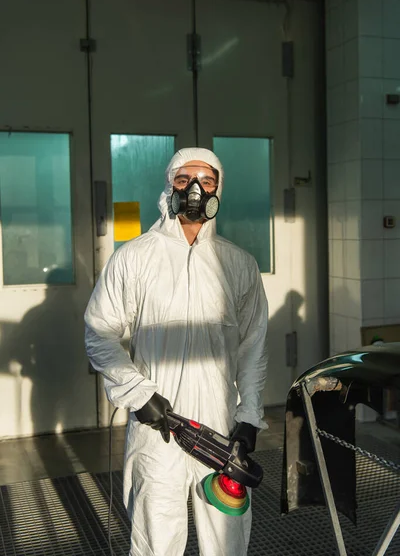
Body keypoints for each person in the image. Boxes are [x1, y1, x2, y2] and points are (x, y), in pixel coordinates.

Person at [84, 147, 269, 556]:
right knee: (155, 542)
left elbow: (253, 348)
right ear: (169, 188)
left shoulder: (239, 265)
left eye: (207, 181)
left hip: (219, 429)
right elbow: (100, 334)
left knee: (226, 542)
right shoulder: (134, 258)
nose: (196, 190)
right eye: (185, 180)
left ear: (219, 189)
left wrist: (250, 415)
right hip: (158, 427)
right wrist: (138, 394)